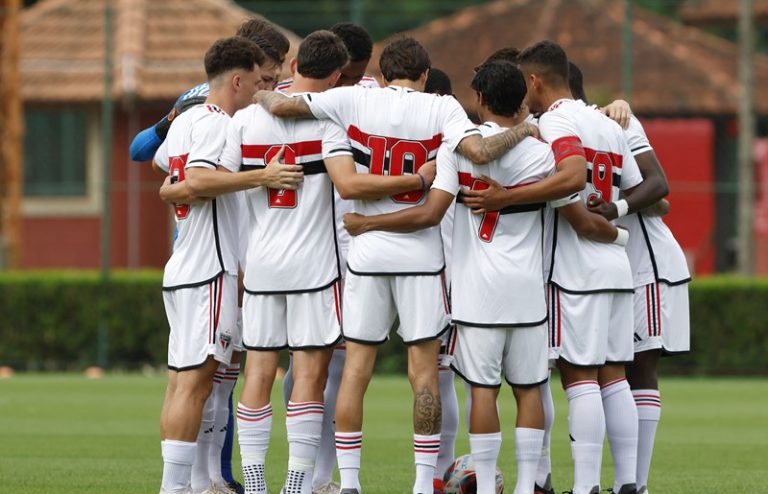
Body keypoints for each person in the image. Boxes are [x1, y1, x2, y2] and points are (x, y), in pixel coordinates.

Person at [255, 36, 538, 494]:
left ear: (383, 75)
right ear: (425, 75)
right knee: (424, 376)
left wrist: (259, 92)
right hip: (422, 257)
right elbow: (483, 153)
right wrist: (525, 129)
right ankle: (424, 483)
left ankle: (349, 483)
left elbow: (282, 106)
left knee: (355, 372)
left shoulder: (354, 98)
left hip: (366, 257)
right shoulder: (442, 108)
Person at [342, 61, 553, 494]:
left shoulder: (456, 150)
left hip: (477, 293)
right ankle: (527, 485)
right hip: (528, 289)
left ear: (479, 100)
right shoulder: (544, 151)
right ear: (523, 101)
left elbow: (430, 212)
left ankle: (479, 483)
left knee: (482, 391)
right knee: (530, 390)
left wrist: (368, 225)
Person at [509, 40, 641, 494]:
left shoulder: (557, 121)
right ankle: (628, 484)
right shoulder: (608, 123)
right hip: (615, 266)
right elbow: (635, 190)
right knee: (615, 376)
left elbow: (570, 178)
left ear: (534, 80)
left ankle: (585, 488)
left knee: (580, 375)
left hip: (576, 267)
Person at [152, 36, 267, 494]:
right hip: (209, 270)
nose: (260, 91)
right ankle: (176, 489)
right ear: (237, 81)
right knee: (197, 386)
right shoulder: (219, 123)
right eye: (258, 83)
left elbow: (167, 175)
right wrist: (263, 175)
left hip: (182, 268)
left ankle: (193, 484)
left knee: (182, 385)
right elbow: (196, 179)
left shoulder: (186, 121)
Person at [592, 104, 691, 494]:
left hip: (646, 266)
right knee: (596, 375)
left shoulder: (616, 123)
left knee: (639, 371)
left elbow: (659, 195)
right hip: (607, 269)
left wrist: (617, 201)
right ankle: (606, 482)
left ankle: (636, 484)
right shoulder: (551, 130)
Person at [131, 18, 290, 164]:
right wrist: (171, 122)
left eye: (275, 81)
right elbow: (139, 151)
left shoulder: (283, 97)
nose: (270, 90)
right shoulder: (203, 105)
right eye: (265, 80)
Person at [276, 22, 379, 91]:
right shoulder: (284, 92)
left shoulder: (369, 89)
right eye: (342, 76)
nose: (348, 85)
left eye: (357, 78)